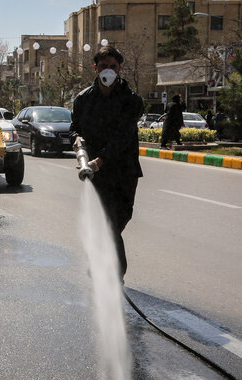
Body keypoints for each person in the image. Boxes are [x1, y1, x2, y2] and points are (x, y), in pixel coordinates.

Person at [70, 45, 143, 282]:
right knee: (107, 221)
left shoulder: (132, 101)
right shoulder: (83, 100)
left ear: (120, 69)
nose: (108, 71)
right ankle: (115, 274)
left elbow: (123, 136)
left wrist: (100, 160)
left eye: (113, 66)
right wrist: (76, 141)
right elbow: (74, 129)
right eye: (103, 66)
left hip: (124, 171)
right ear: (95, 68)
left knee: (120, 219)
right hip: (95, 172)